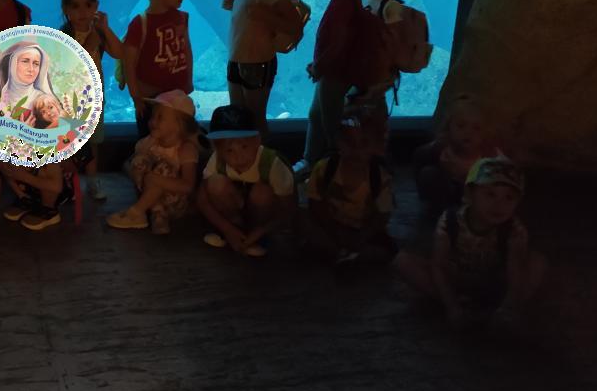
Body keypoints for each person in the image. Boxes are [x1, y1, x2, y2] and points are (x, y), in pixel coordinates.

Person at [394, 157, 547, 332]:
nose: (499, 204)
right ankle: (459, 303)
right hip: (458, 281)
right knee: (403, 261)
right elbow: (439, 266)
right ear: (469, 194)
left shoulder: (514, 229)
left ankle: (504, 310)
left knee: (538, 263)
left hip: (494, 284)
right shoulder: (450, 221)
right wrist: (451, 306)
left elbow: (515, 270)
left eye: (509, 197)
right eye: (490, 194)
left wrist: (508, 305)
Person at [219, 0, 302, 140]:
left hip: (257, 63)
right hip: (237, 60)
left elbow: (294, 26)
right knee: (238, 116)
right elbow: (252, 16)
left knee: (255, 119)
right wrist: (234, 5)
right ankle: (244, 156)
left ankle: (263, 158)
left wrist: (267, 15)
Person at [296, 0, 363, 176]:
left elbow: (338, 45)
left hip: (335, 74)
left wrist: (319, 66)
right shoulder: (347, 0)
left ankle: (333, 166)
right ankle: (312, 160)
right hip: (332, 72)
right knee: (317, 115)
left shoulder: (344, 5)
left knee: (331, 121)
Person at [196, 105, 296, 258]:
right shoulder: (217, 160)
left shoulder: (272, 163)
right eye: (229, 150)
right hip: (235, 211)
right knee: (215, 183)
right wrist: (227, 229)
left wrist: (262, 230)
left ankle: (257, 237)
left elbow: (288, 208)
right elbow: (202, 200)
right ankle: (235, 230)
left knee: (262, 192)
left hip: (264, 219)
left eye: (244, 146)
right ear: (217, 148)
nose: (238, 156)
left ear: (257, 140)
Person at [59, 0, 123, 200]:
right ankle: (70, 183)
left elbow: (119, 52)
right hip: (69, 102)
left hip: (94, 100)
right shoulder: (63, 35)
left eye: (88, 5)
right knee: (69, 144)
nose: (82, 12)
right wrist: (91, 43)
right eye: (75, 6)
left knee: (92, 143)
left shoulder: (99, 31)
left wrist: (105, 29)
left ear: (96, 6)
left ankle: (93, 181)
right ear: (65, 9)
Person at [122, 0, 202, 138]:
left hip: (178, 97)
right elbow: (129, 63)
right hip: (150, 101)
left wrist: (188, 82)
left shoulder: (182, 18)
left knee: (179, 141)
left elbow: (187, 50)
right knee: (151, 141)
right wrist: (136, 97)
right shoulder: (140, 23)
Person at [304, 109, 396, 266]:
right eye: (349, 141)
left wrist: (363, 236)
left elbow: (382, 216)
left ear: (376, 146)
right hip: (331, 226)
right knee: (302, 219)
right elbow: (314, 203)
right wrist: (333, 229)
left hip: (362, 230)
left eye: (364, 143)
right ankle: (346, 256)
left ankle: (338, 254)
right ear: (338, 142)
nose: (356, 150)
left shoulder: (380, 178)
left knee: (386, 251)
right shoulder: (325, 168)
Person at [107, 90, 200, 235]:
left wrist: (157, 181)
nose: (152, 122)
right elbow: (129, 165)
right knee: (139, 160)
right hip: (151, 199)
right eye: (152, 116)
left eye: (160, 117)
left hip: (175, 204)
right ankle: (154, 214)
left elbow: (188, 186)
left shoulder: (185, 149)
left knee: (163, 167)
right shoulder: (151, 142)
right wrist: (140, 168)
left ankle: (137, 212)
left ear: (179, 125)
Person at [413, 94, 505, 213]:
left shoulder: (489, 155)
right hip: (447, 188)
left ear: (485, 133)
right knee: (425, 164)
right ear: (449, 126)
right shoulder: (444, 145)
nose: (468, 132)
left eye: (476, 128)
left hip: (473, 195)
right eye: (461, 126)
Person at [0, 41, 57, 120]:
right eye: (25, 61)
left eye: (36, 64)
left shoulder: (44, 100)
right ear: (13, 64)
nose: (31, 69)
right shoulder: (0, 99)